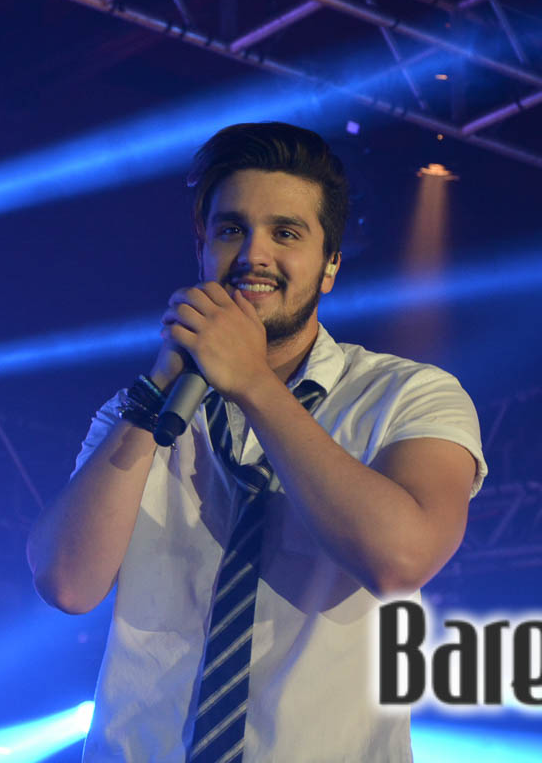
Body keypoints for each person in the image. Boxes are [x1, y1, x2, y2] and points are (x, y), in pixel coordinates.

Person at [27, 122, 488, 762]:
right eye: (231, 230)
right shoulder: (141, 409)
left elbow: (401, 559)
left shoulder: (407, 395)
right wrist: (158, 389)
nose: (254, 254)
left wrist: (252, 384)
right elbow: (66, 584)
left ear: (330, 266)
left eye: (286, 233)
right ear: (202, 248)